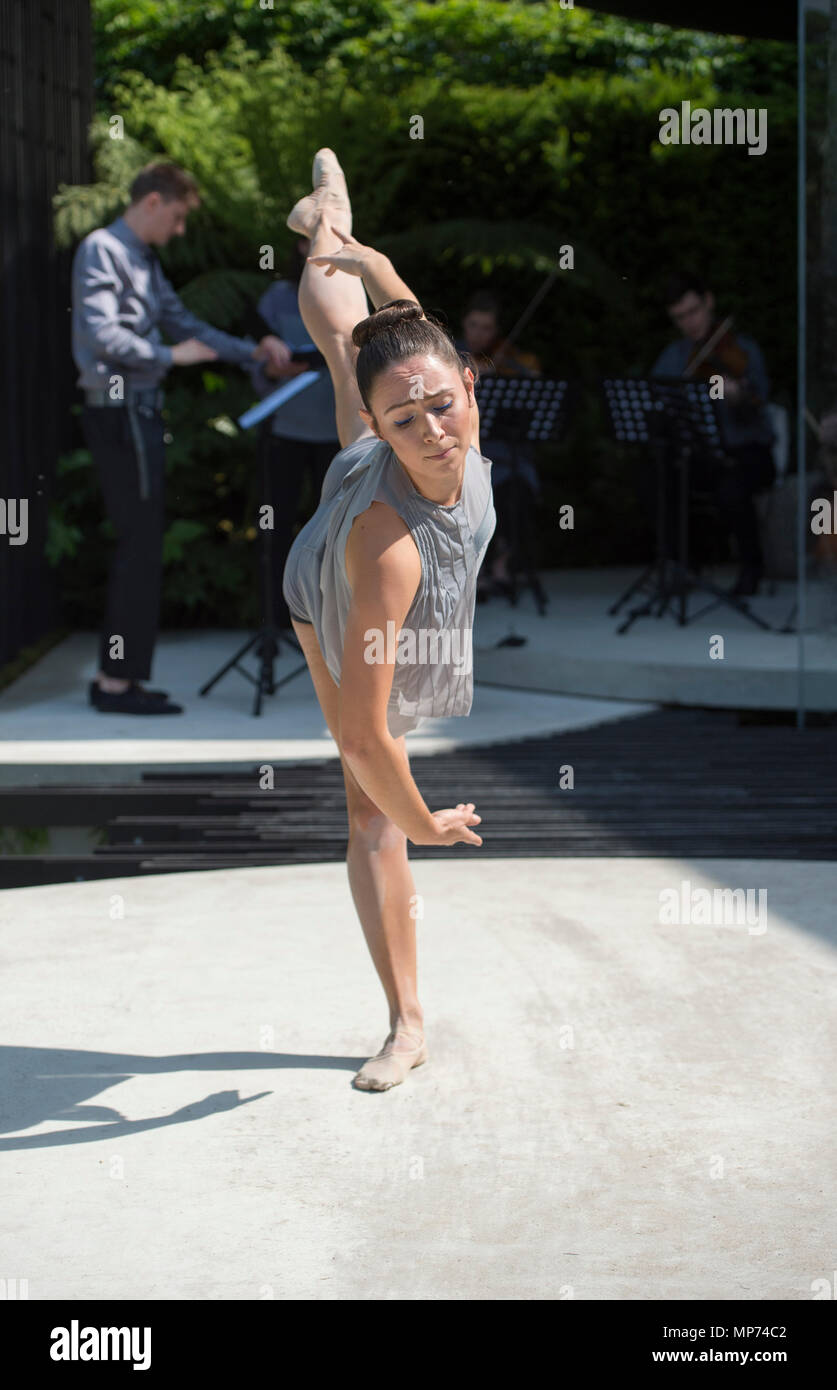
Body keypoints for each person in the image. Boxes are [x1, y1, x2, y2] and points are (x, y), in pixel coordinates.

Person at [281, 150, 496, 1092]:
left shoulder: (438, 401)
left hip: (393, 496)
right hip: (327, 588)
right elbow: (367, 736)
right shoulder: (383, 558)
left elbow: (407, 338)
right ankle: (406, 1025)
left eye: (443, 406)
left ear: (469, 385)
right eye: (405, 421)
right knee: (371, 810)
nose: (434, 431)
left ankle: (330, 223)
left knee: (353, 342)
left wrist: (369, 264)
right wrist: (427, 822)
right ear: (380, 427)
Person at [72, 161, 288, 714]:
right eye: (177, 215)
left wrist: (252, 350)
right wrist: (170, 357)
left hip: (140, 411)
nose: (180, 229)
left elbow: (184, 321)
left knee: (144, 546)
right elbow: (100, 333)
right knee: (138, 546)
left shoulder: (143, 259)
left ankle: (122, 679)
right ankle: (114, 684)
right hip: (119, 411)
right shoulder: (103, 249)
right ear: (151, 203)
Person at [651, 271, 775, 596]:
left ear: (709, 302)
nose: (689, 323)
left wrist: (739, 396)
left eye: (693, 312)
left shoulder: (743, 349)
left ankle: (752, 568)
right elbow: (655, 399)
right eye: (680, 318)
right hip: (702, 452)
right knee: (659, 479)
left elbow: (758, 401)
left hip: (748, 450)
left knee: (732, 488)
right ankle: (683, 566)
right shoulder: (675, 357)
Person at [247, 238, 339, 633]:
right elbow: (255, 358)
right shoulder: (278, 296)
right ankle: (275, 620)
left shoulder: (351, 295)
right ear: (299, 245)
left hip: (337, 434)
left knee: (336, 531)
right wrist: (270, 372)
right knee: (276, 527)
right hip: (285, 429)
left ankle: (333, 619)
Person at [455, 292, 542, 597]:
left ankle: (502, 563)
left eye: (487, 328)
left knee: (515, 489)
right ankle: (475, 570)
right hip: (465, 451)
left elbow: (532, 381)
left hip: (507, 453)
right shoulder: (450, 357)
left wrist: (523, 375)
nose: (480, 335)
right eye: (474, 326)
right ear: (464, 324)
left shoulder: (507, 358)